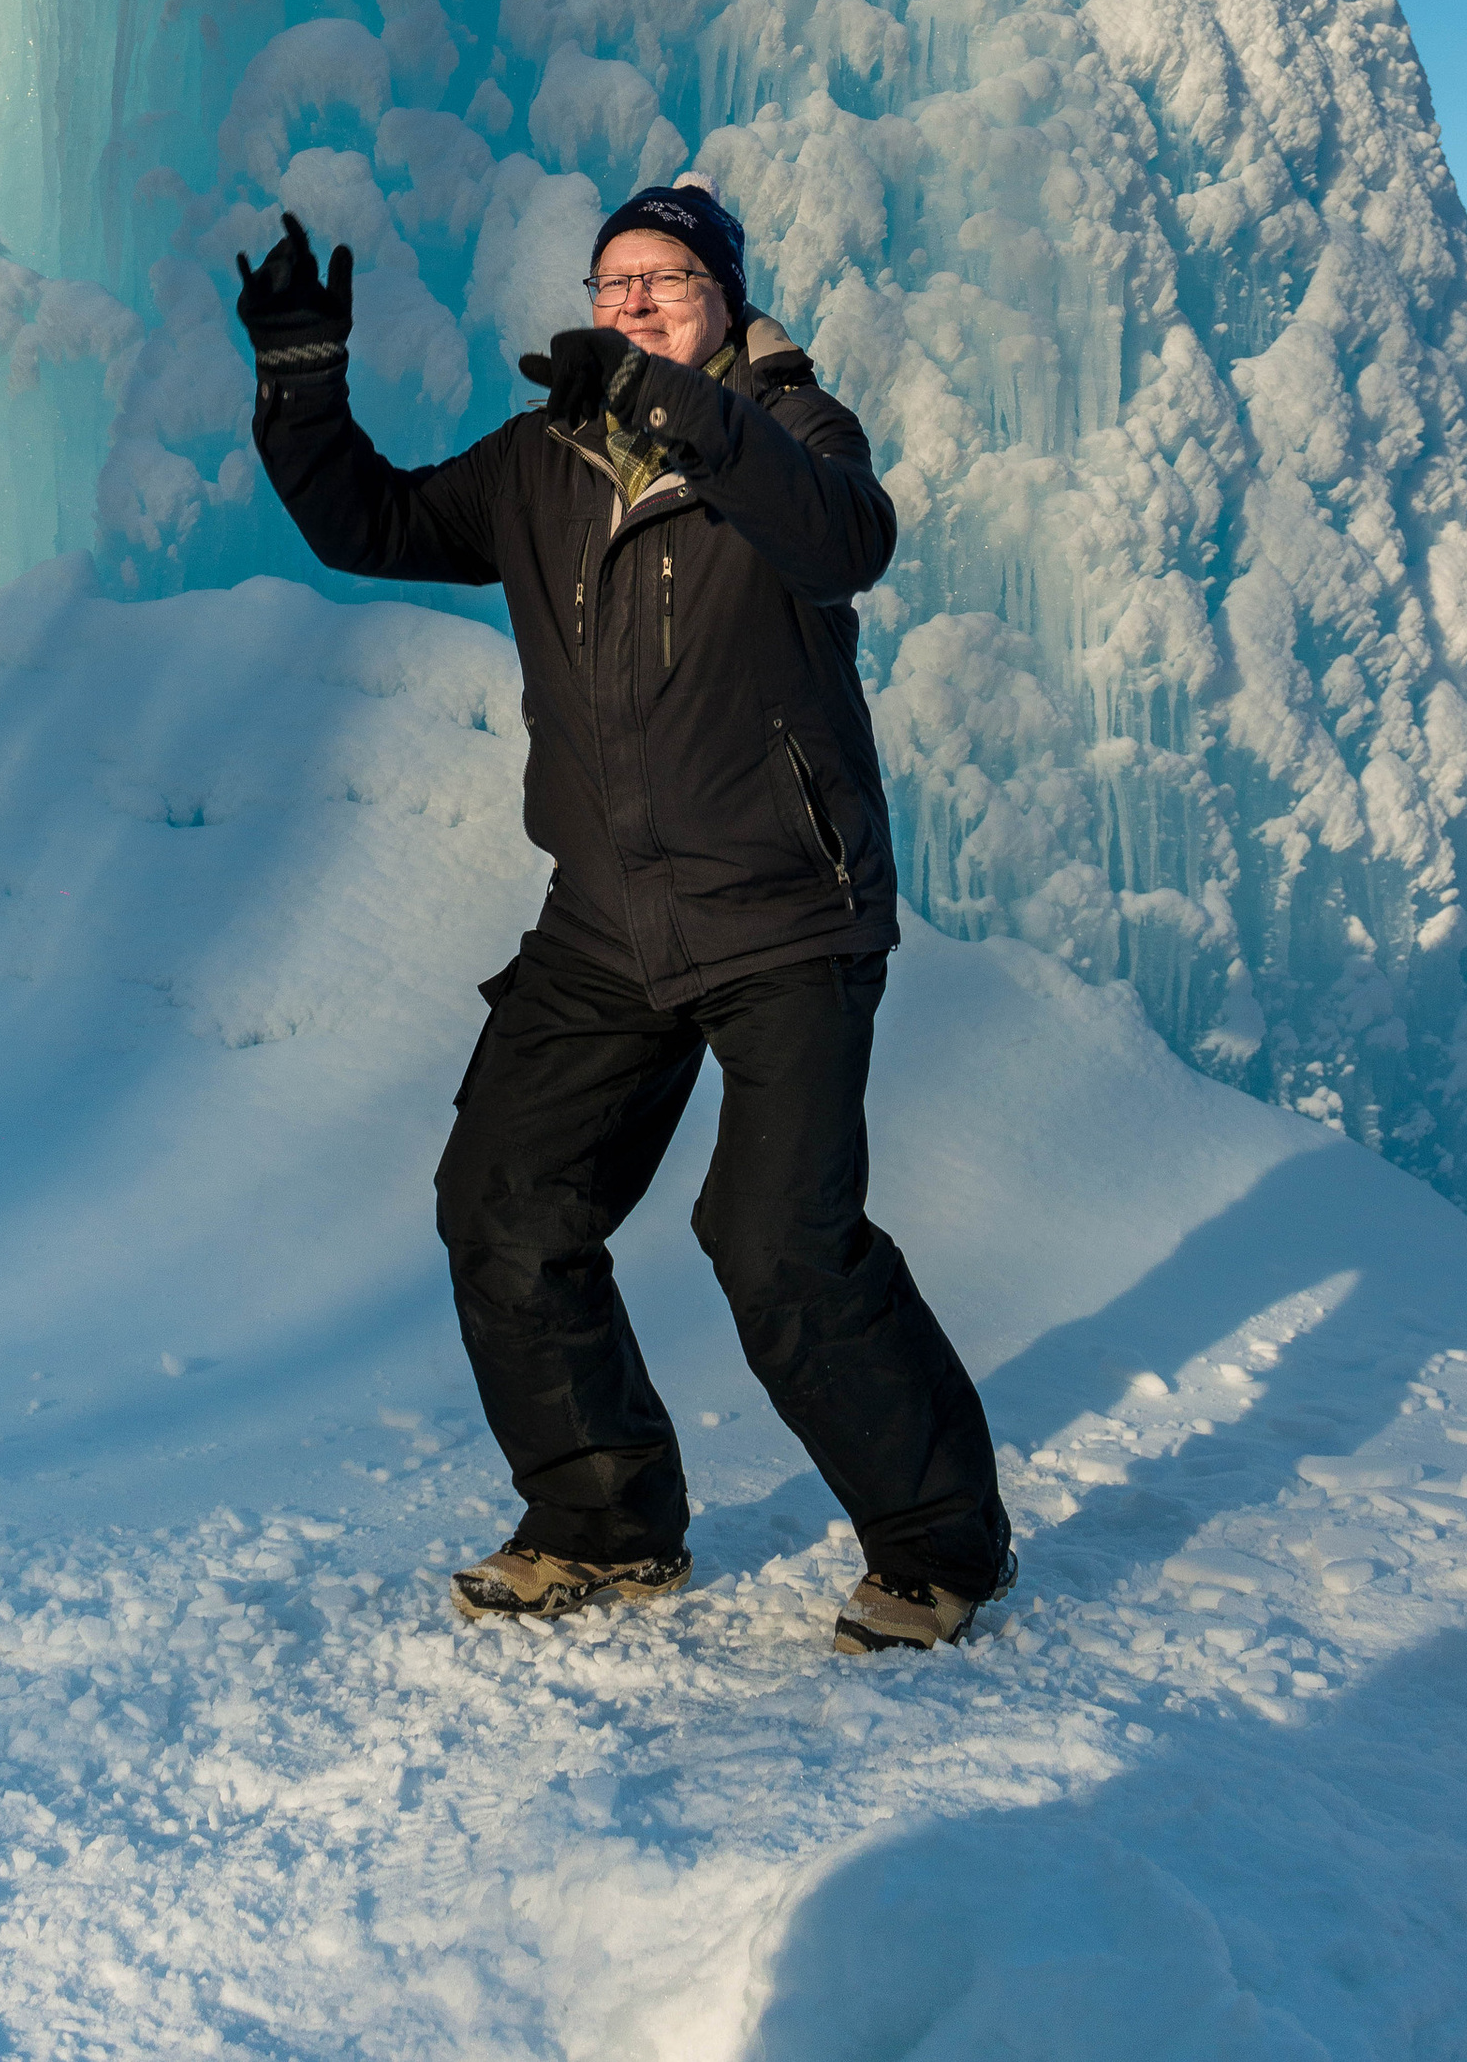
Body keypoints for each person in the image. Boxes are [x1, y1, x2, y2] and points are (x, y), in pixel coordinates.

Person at [238, 175, 1014, 1656]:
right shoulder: (542, 459)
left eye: (665, 279)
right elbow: (373, 521)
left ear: (723, 303)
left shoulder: (790, 435)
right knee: (506, 1203)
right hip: (608, 919)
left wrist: (684, 415)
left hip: (788, 910)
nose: (634, 301)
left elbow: (846, 539)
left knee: (777, 1240)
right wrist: (298, 380)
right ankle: (603, 1523)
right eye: (611, 284)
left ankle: (937, 1547)